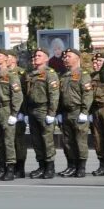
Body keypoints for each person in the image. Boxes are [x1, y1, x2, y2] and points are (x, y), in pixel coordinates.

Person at [57, 48, 93, 178]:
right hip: (66, 113)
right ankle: (71, 165)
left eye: (69, 56)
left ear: (77, 58)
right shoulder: (64, 76)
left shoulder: (83, 74)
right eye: (65, 57)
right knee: (67, 142)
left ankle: (81, 167)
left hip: (78, 111)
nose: (65, 58)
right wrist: (59, 112)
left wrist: (85, 111)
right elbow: (61, 96)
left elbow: (88, 94)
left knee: (80, 141)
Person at [23, 48, 59, 179]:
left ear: (46, 59)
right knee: (36, 140)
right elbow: (27, 94)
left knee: (47, 139)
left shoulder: (50, 74)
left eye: (39, 56)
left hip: (44, 109)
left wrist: (51, 113)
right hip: (32, 110)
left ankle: (50, 167)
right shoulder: (31, 74)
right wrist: (26, 112)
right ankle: (41, 165)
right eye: (34, 56)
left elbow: (54, 95)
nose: (35, 58)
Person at [0, 49, 24, 181]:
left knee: (8, 141)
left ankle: (10, 169)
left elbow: (17, 95)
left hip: (6, 109)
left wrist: (14, 113)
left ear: (6, 58)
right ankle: (2, 168)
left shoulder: (11, 75)